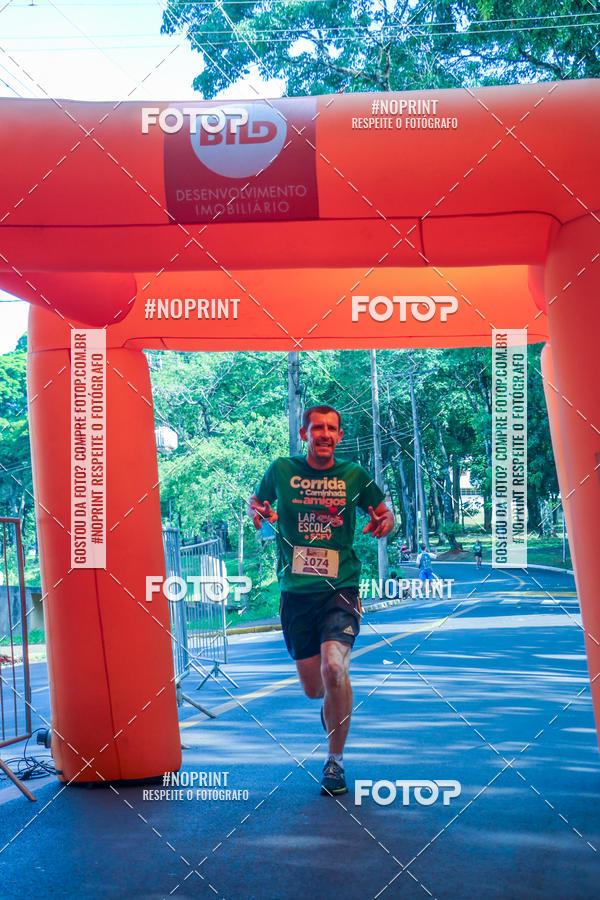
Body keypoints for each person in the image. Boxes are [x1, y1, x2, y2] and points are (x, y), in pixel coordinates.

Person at [248, 404, 394, 796]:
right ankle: (332, 708)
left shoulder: (354, 476)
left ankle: (335, 762)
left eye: (332, 428)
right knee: (316, 688)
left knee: (335, 668)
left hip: (340, 589)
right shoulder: (281, 470)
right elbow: (256, 502)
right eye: (317, 428)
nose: (325, 434)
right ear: (305, 434)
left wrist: (386, 521)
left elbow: (384, 512)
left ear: (340, 436)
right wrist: (258, 511)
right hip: (296, 594)